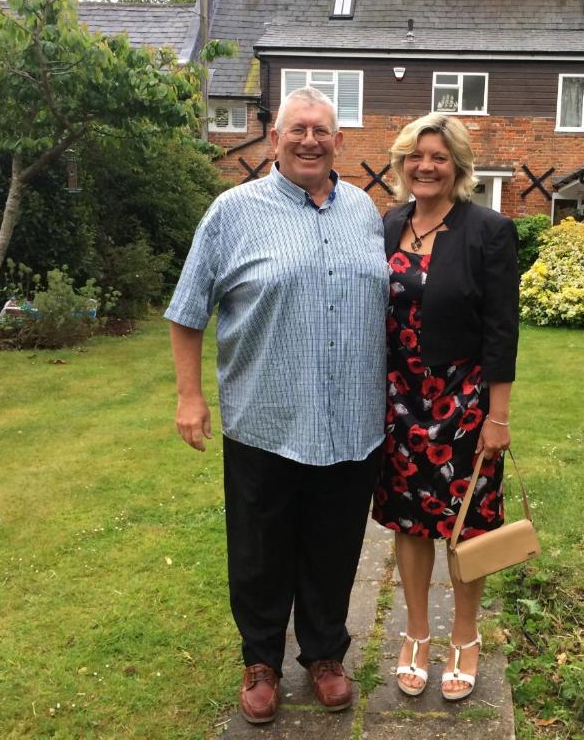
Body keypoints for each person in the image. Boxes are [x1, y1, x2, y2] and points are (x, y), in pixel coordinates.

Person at [165, 86, 388, 724]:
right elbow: (187, 313)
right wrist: (189, 397)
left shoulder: (365, 213)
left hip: (350, 422)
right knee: (261, 550)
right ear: (274, 138)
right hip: (265, 418)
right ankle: (260, 660)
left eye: (321, 129)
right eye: (297, 129)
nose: (309, 140)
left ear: (340, 140)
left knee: (335, 545)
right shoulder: (232, 212)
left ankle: (324, 655)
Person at [372, 113, 519, 701]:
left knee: (468, 526)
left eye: (437, 157)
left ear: (457, 166)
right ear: (402, 163)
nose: (424, 166)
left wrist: (498, 416)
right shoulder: (388, 224)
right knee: (409, 523)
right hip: (397, 400)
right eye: (415, 156)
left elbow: (501, 330)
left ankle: (464, 634)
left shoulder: (488, 229)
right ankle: (414, 633)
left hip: (462, 401)